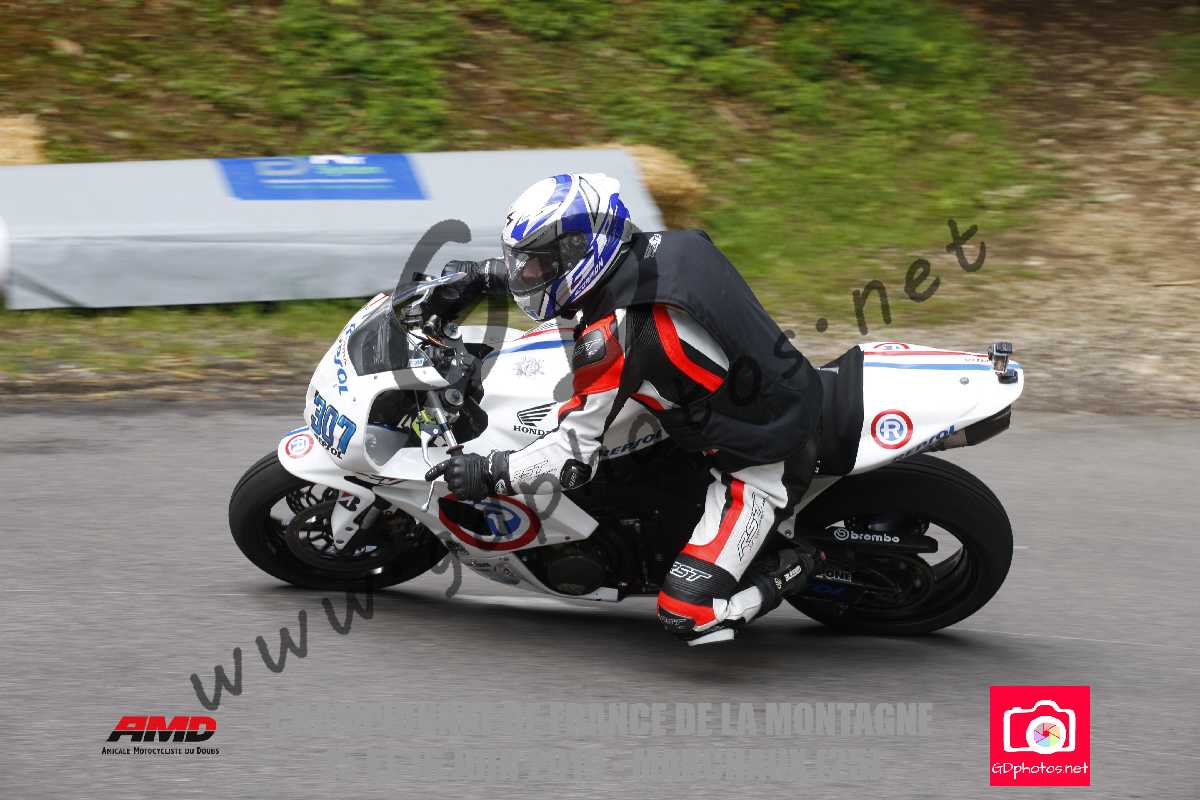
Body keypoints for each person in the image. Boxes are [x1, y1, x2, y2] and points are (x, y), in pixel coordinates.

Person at [426, 172, 823, 645]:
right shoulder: (669, 246)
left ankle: (796, 563)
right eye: (523, 262)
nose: (527, 273)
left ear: (581, 251)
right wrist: (485, 276)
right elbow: (582, 289)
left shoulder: (615, 338)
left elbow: (570, 460)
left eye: (538, 262)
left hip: (764, 455)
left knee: (687, 614)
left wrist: (490, 471)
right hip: (763, 385)